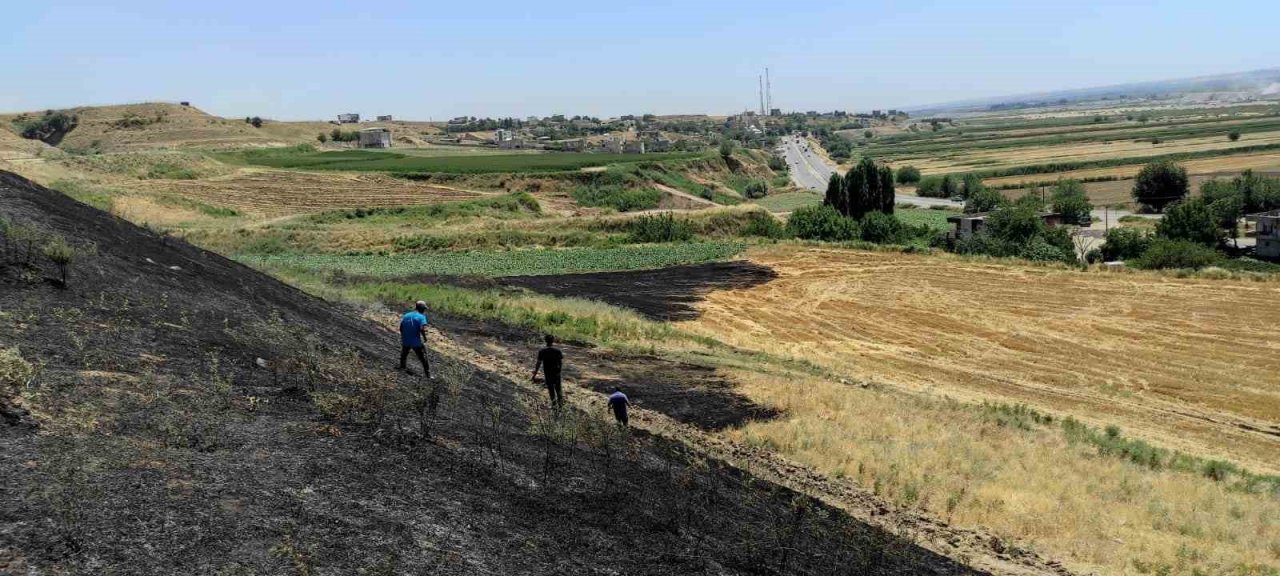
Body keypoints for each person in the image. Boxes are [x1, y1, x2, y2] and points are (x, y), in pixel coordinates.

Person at [398, 301, 432, 378]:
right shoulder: (421, 317)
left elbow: (401, 328)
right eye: (424, 309)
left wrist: (404, 336)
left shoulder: (406, 315)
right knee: (423, 357)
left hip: (406, 339)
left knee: (404, 354)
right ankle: (428, 375)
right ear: (421, 309)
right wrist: (424, 337)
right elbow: (421, 329)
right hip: (416, 341)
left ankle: (402, 367)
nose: (424, 310)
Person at [531, 334, 564, 408]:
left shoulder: (542, 351)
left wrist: (535, 373)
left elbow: (538, 363)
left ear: (545, 341)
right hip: (556, 373)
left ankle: (554, 405)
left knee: (551, 389)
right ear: (553, 341)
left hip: (548, 373)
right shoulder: (557, 351)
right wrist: (559, 372)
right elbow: (560, 363)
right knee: (558, 389)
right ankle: (561, 406)